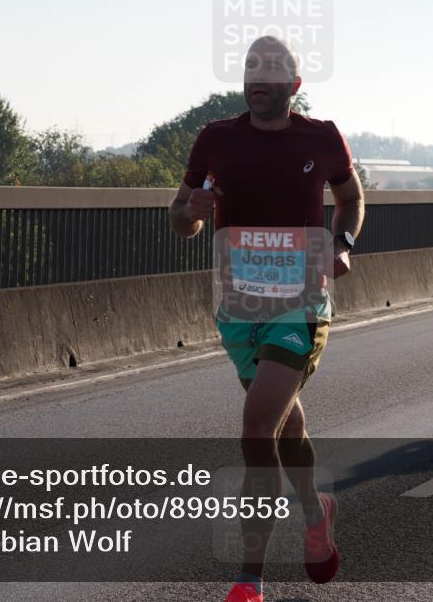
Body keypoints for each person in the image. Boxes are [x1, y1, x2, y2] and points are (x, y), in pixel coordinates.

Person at [169, 36, 364, 602]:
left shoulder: (321, 137)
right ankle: (314, 511)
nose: (259, 76)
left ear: (294, 86)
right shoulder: (216, 139)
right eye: (252, 66)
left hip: (301, 304)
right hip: (240, 309)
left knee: (257, 427)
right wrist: (192, 214)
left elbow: (352, 199)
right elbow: (179, 218)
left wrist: (343, 242)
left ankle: (248, 580)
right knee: (286, 426)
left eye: (273, 69)